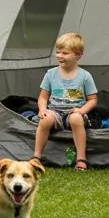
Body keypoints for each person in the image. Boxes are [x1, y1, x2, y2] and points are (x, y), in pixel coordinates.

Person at [32, 32, 98, 171]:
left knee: (75, 119)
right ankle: (37, 157)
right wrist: (42, 109)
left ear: (78, 55)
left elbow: (92, 100)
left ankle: (81, 159)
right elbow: (43, 97)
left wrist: (81, 111)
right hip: (55, 111)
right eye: (58, 52)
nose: (60, 56)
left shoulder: (85, 76)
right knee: (45, 119)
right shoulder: (50, 74)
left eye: (65, 53)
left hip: (74, 112)